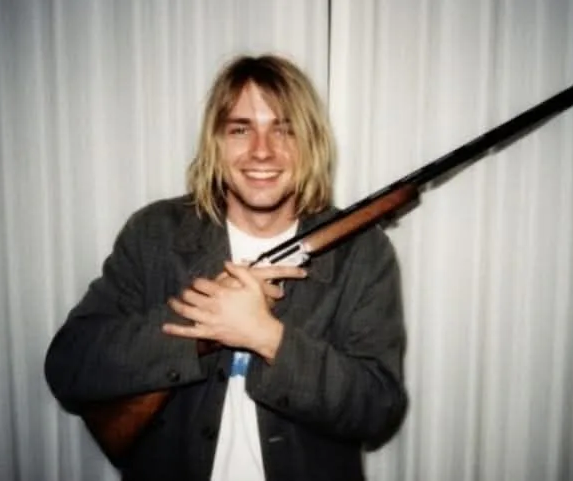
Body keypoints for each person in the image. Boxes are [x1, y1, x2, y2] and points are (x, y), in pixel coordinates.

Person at [44, 54, 407, 481]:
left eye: (284, 129)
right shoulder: (155, 233)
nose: (262, 150)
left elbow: (378, 410)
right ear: (215, 142)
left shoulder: (363, 252)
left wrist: (268, 337)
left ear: (311, 142)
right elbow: (69, 364)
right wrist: (204, 330)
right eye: (240, 129)